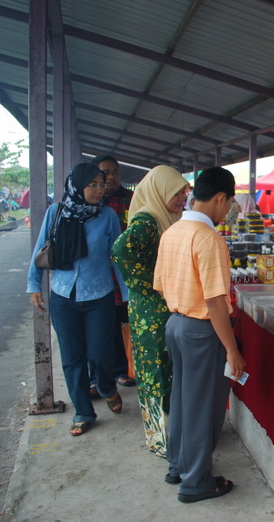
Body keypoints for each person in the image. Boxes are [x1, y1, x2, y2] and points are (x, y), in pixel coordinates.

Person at [153, 166, 244, 503]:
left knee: (183, 400)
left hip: (176, 324)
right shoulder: (208, 239)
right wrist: (232, 350)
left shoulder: (173, 231)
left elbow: (160, 285)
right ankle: (196, 482)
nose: (228, 210)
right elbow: (216, 302)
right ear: (220, 198)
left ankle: (178, 466)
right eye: (229, 202)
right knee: (202, 408)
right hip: (202, 331)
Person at [27, 162, 128, 436]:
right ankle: (83, 411)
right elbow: (41, 248)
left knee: (100, 353)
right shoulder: (56, 212)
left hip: (99, 295)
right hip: (63, 295)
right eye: (92, 185)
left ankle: (106, 387)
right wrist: (34, 284)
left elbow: (116, 257)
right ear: (77, 186)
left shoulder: (107, 216)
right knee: (72, 357)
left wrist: (127, 293)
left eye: (101, 184)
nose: (99, 190)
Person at [112, 165, 190, 457]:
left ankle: (174, 435)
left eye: (184, 192)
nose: (182, 198)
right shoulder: (147, 219)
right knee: (156, 371)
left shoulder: (166, 217)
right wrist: (152, 285)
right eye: (176, 192)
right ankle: (161, 440)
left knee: (169, 370)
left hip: (163, 306)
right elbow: (120, 250)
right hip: (151, 311)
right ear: (160, 191)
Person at [92, 154, 135, 390]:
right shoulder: (92, 202)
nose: (111, 177)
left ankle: (122, 369)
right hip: (99, 274)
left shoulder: (131, 199)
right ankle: (98, 375)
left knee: (123, 321)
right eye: (106, 173)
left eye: (115, 172)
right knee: (100, 327)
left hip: (125, 272)